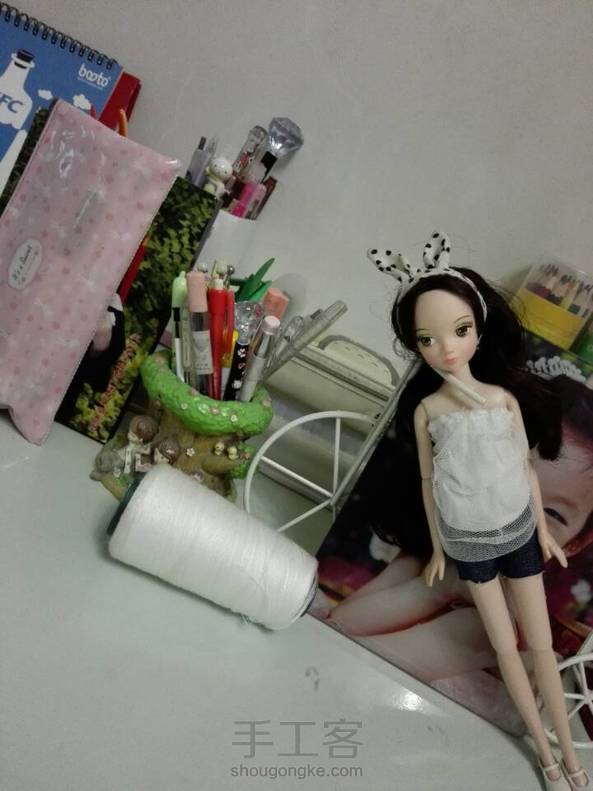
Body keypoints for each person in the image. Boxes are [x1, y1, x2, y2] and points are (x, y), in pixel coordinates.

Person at [324, 233, 589, 789]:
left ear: (479, 330)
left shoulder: (504, 400)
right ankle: (549, 757)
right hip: (465, 544)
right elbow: (429, 481)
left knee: (534, 645)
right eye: (428, 339)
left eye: (460, 331)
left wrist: (540, 529)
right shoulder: (430, 409)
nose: (446, 349)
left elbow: (522, 471)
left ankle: (565, 755)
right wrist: (441, 551)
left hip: (516, 539)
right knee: (499, 642)